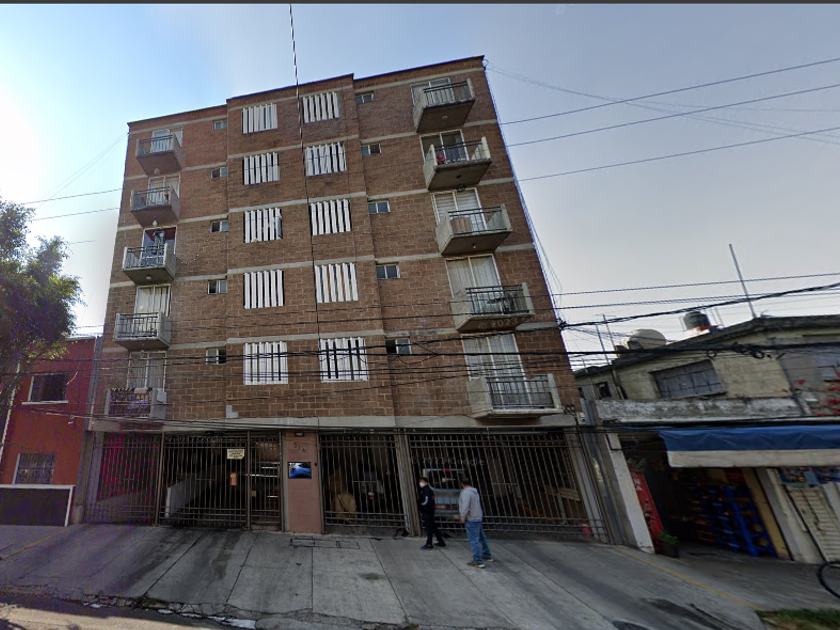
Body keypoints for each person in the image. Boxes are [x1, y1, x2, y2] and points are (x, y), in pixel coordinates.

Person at [459, 477, 494, 568]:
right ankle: (487, 555)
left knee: (474, 540)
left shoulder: (466, 493)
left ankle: (478, 561)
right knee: (482, 538)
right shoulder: (475, 492)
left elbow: (465, 506)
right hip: (478, 517)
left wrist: (462, 516)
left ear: (462, 484)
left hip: (471, 518)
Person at [418, 476, 446, 550]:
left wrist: (420, 505)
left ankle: (429, 544)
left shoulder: (426, 490)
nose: (420, 483)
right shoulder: (426, 489)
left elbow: (425, 501)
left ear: (426, 483)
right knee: (433, 527)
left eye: (422, 482)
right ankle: (441, 542)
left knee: (429, 528)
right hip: (429, 510)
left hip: (427, 511)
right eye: (420, 482)